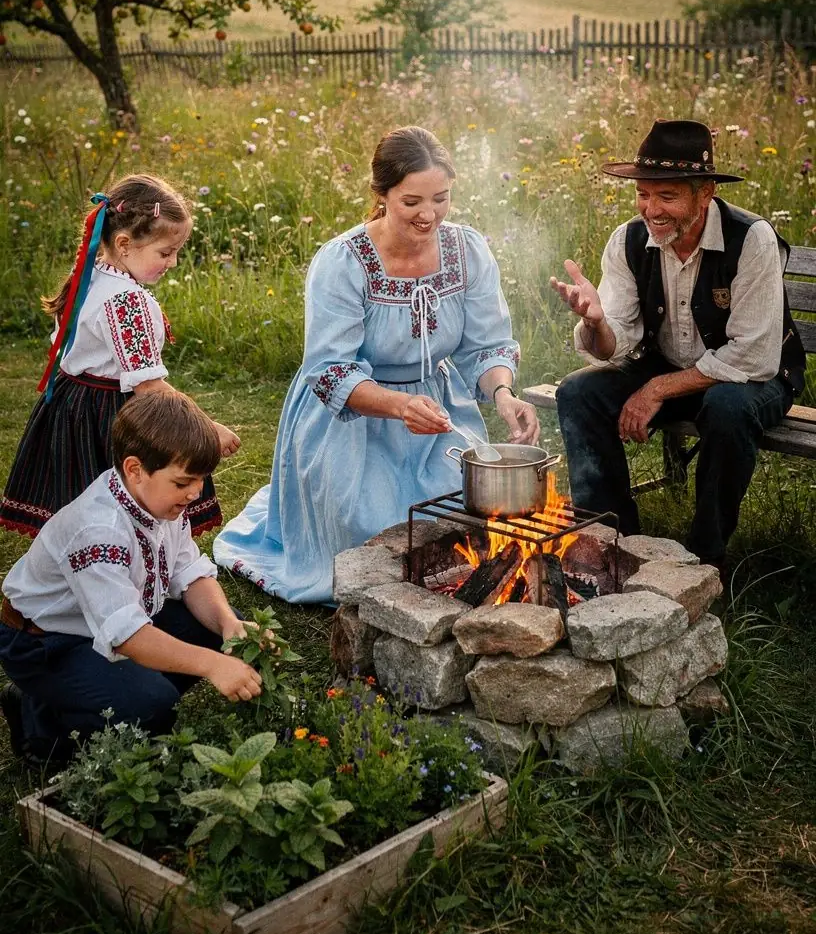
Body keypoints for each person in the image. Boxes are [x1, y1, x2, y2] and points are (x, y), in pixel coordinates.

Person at [215, 125, 540, 604]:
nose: (429, 214)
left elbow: (485, 343)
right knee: (375, 536)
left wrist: (504, 395)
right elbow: (330, 370)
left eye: (441, 198)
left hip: (435, 415)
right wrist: (400, 405)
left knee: (457, 521)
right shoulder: (343, 262)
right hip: (353, 419)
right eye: (412, 201)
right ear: (382, 194)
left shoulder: (467, 250)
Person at [550, 119, 806, 570]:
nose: (652, 210)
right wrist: (595, 323)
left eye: (667, 196)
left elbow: (753, 355)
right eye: (644, 195)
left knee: (727, 408)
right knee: (577, 392)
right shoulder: (628, 240)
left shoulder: (752, 240)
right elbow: (620, 341)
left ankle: (703, 560)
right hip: (668, 367)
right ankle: (612, 541)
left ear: (704, 193)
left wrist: (656, 390)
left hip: (754, 379)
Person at [0, 391, 260, 766]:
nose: (195, 492)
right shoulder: (98, 531)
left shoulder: (159, 500)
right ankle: (40, 722)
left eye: (201, 479)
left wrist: (229, 624)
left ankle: (102, 692)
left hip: (106, 621)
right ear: (135, 469)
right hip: (44, 642)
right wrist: (211, 665)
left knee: (217, 626)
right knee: (153, 704)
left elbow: (190, 576)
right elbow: (127, 635)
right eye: (184, 481)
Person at [0, 173, 239, 541]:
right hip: (107, 414)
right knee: (120, 507)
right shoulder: (128, 300)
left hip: (70, 405)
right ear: (125, 243)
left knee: (81, 509)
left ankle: (87, 561)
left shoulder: (89, 275)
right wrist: (206, 429)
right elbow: (149, 386)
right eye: (165, 252)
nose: (172, 262)